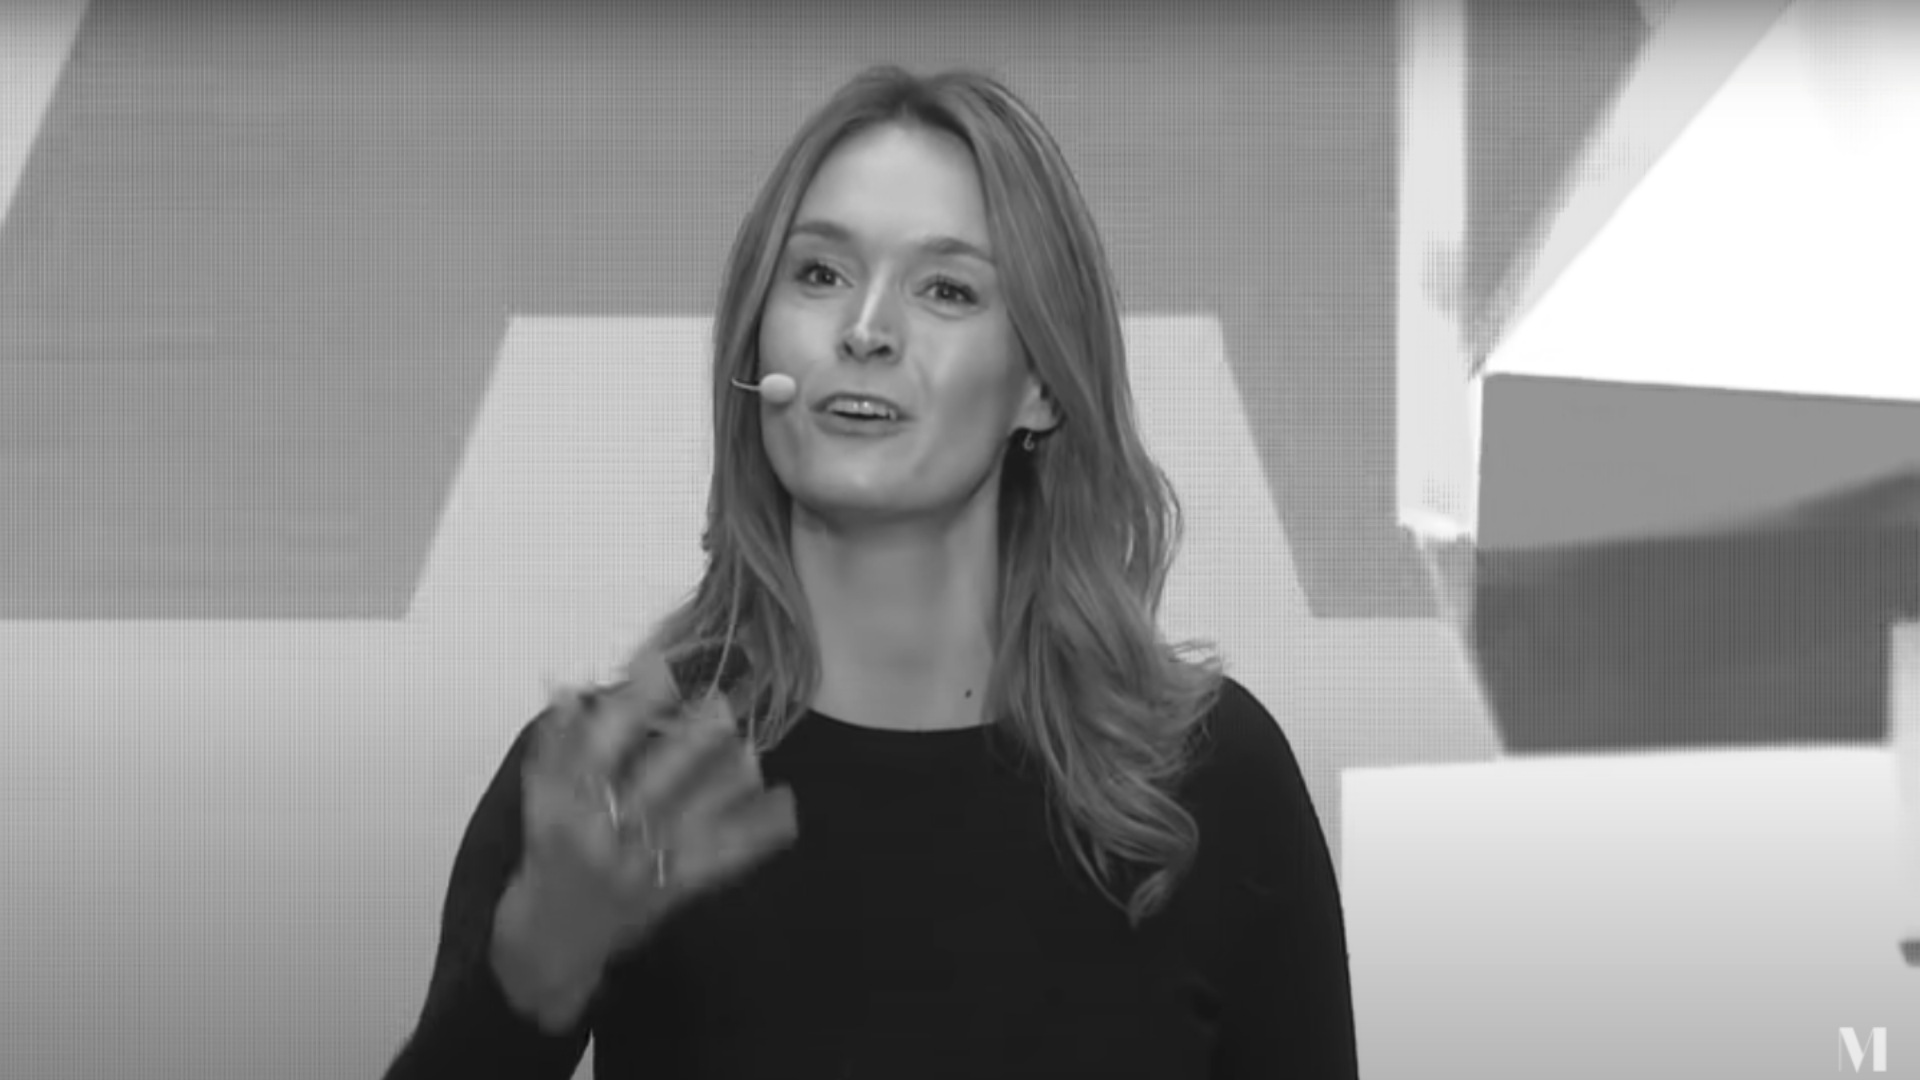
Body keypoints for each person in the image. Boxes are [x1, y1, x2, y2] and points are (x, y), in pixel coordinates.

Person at [381, 64, 1359, 1079]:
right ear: (757, 342)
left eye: (947, 289)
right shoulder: (616, 786)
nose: (864, 328)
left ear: (1041, 386)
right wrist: (527, 981)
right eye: (819, 275)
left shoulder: (1208, 780)